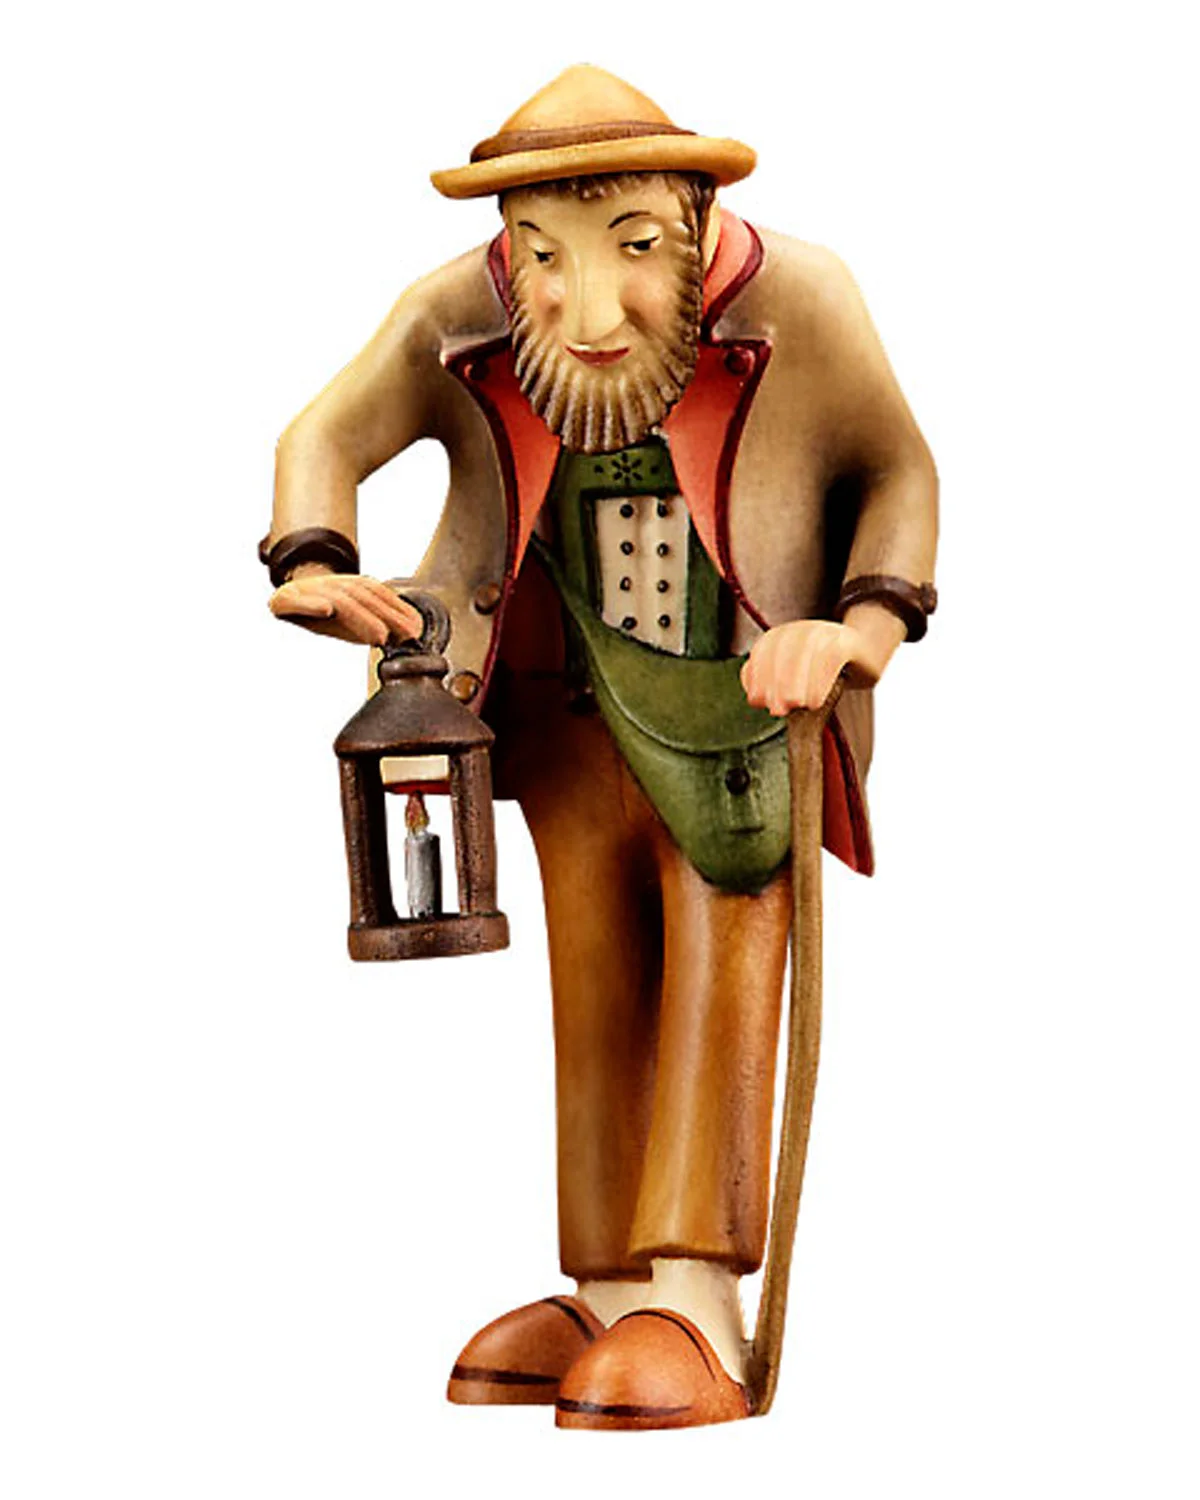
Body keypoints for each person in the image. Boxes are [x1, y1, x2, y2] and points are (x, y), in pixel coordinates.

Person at [263, 65, 937, 1430]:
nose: (586, 308)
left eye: (630, 247)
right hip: (559, 702)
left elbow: (898, 470)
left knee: (718, 972)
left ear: (691, 217)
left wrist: (857, 629)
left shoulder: (804, 303)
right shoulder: (467, 314)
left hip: (740, 710)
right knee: (596, 984)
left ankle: (697, 1302)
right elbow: (324, 430)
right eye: (545, 256)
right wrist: (314, 561)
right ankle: (612, 1286)